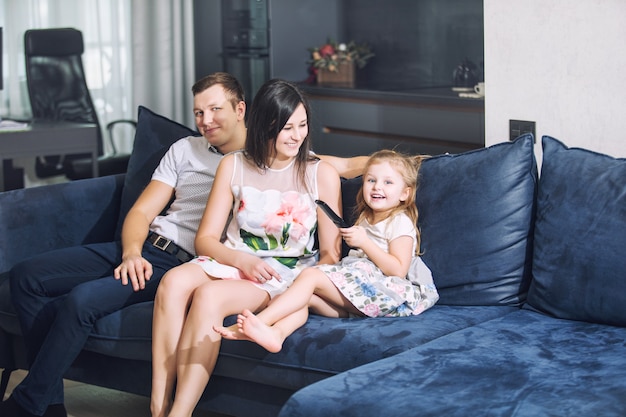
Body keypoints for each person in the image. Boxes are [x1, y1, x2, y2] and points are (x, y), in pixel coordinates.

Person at [2, 72, 362, 417]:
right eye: (199, 112)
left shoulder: (302, 164)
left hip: (193, 261)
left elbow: (334, 172)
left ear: (241, 112)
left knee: (82, 301)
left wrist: (401, 166)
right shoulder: (194, 152)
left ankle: (40, 402)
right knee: (25, 276)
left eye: (215, 109)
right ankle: (49, 402)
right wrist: (130, 253)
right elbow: (143, 212)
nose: (205, 120)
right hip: (149, 248)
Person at [150, 78, 344, 417]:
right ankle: (158, 405)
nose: (296, 136)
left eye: (302, 125)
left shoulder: (320, 174)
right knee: (173, 282)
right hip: (233, 258)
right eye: (287, 128)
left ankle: (179, 413)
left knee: (209, 297)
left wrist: (302, 289)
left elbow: (330, 252)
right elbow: (206, 239)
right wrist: (242, 259)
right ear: (265, 126)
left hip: (281, 273)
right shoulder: (234, 165)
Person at [216, 149, 440, 354]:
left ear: (405, 194)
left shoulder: (399, 221)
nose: (377, 187)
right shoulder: (366, 217)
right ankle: (277, 334)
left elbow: (398, 270)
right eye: (371, 180)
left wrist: (365, 243)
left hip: (385, 293)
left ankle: (259, 322)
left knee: (311, 275)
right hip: (361, 296)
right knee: (305, 297)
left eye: (388, 182)